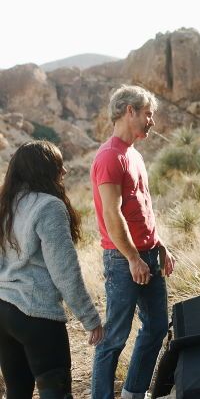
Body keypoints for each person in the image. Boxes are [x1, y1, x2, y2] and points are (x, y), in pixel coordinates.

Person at [0, 141, 104, 399]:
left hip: (3, 311)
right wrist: (90, 318)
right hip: (36, 315)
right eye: (59, 164)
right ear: (44, 169)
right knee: (55, 392)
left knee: (17, 390)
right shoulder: (49, 207)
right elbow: (64, 270)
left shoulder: (6, 205)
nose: (65, 171)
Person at [91, 85, 175, 399]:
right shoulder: (109, 156)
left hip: (147, 254)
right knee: (114, 338)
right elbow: (113, 216)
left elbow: (141, 207)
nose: (151, 121)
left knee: (155, 328)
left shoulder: (134, 155)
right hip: (123, 260)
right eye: (148, 114)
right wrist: (132, 258)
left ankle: (133, 394)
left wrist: (158, 244)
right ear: (130, 111)